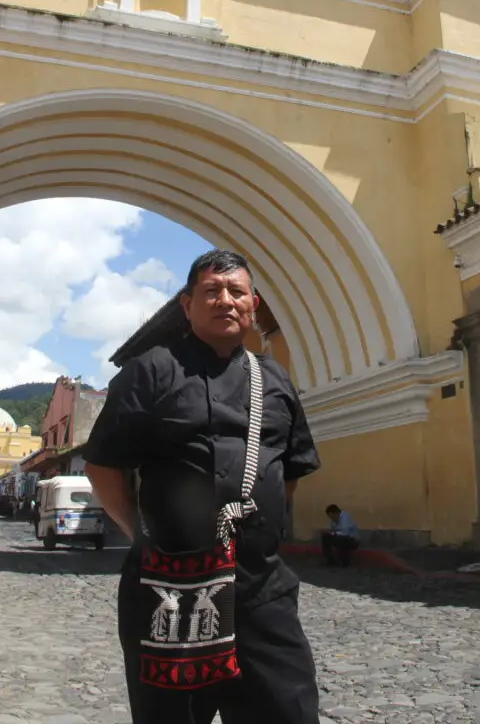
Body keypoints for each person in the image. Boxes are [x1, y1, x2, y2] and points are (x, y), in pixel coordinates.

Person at [85, 249, 321, 724]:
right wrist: (140, 534)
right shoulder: (150, 371)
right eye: (211, 291)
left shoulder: (275, 380)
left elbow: (289, 471)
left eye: (236, 292)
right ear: (187, 304)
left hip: (261, 591)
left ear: (253, 304)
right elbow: (103, 466)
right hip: (168, 590)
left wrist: (254, 522)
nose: (225, 301)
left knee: (288, 711)